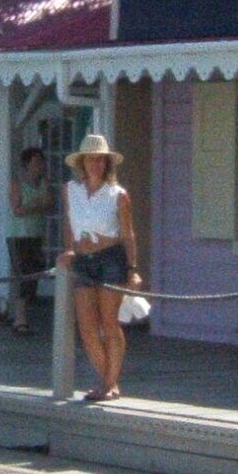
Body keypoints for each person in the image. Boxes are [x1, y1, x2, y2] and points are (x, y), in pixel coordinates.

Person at [59, 132, 141, 402]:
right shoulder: (71, 190)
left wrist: (132, 268)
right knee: (86, 327)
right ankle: (107, 380)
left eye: (100, 160)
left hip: (110, 258)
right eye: (90, 160)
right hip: (84, 260)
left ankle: (108, 384)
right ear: (82, 163)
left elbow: (127, 234)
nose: (95, 165)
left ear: (107, 164)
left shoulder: (118, 195)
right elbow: (70, 225)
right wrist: (70, 249)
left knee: (109, 322)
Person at [6, 143, 53, 335]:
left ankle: (21, 313)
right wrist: (37, 205)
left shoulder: (44, 183)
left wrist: (35, 205)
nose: (39, 166)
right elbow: (18, 210)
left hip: (36, 234)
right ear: (26, 165)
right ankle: (19, 320)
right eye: (35, 162)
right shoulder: (16, 184)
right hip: (18, 235)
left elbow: (49, 203)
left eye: (41, 162)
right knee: (23, 275)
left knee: (35, 274)